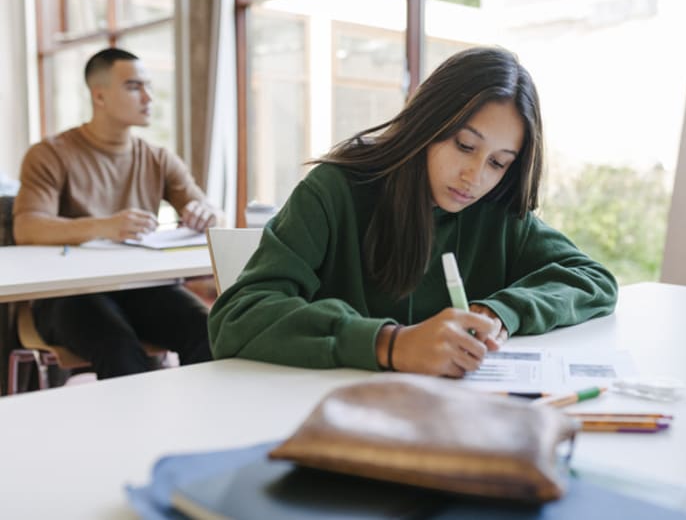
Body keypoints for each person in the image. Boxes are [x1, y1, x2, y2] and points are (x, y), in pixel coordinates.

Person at [208, 46, 618, 377]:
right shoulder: (335, 191)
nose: (475, 177)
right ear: (427, 125)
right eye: (464, 145)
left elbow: (593, 279)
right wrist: (390, 344)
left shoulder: (498, 212)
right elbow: (238, 317)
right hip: (329, 418)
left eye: (498, 162)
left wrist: (499, 312)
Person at [13, 47, 220, 379]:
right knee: (117, 345)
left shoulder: (158, 158)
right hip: (68, 294)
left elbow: (209, 210)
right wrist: (105, 226)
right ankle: (133, 432)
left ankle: (207, 426)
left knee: (212, 331)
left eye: (148, 86)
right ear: (99, 96)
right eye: (134, 86)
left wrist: (205, 212)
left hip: (142, 287)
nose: (149, 97)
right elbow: (27, 227)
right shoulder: (50, 154)